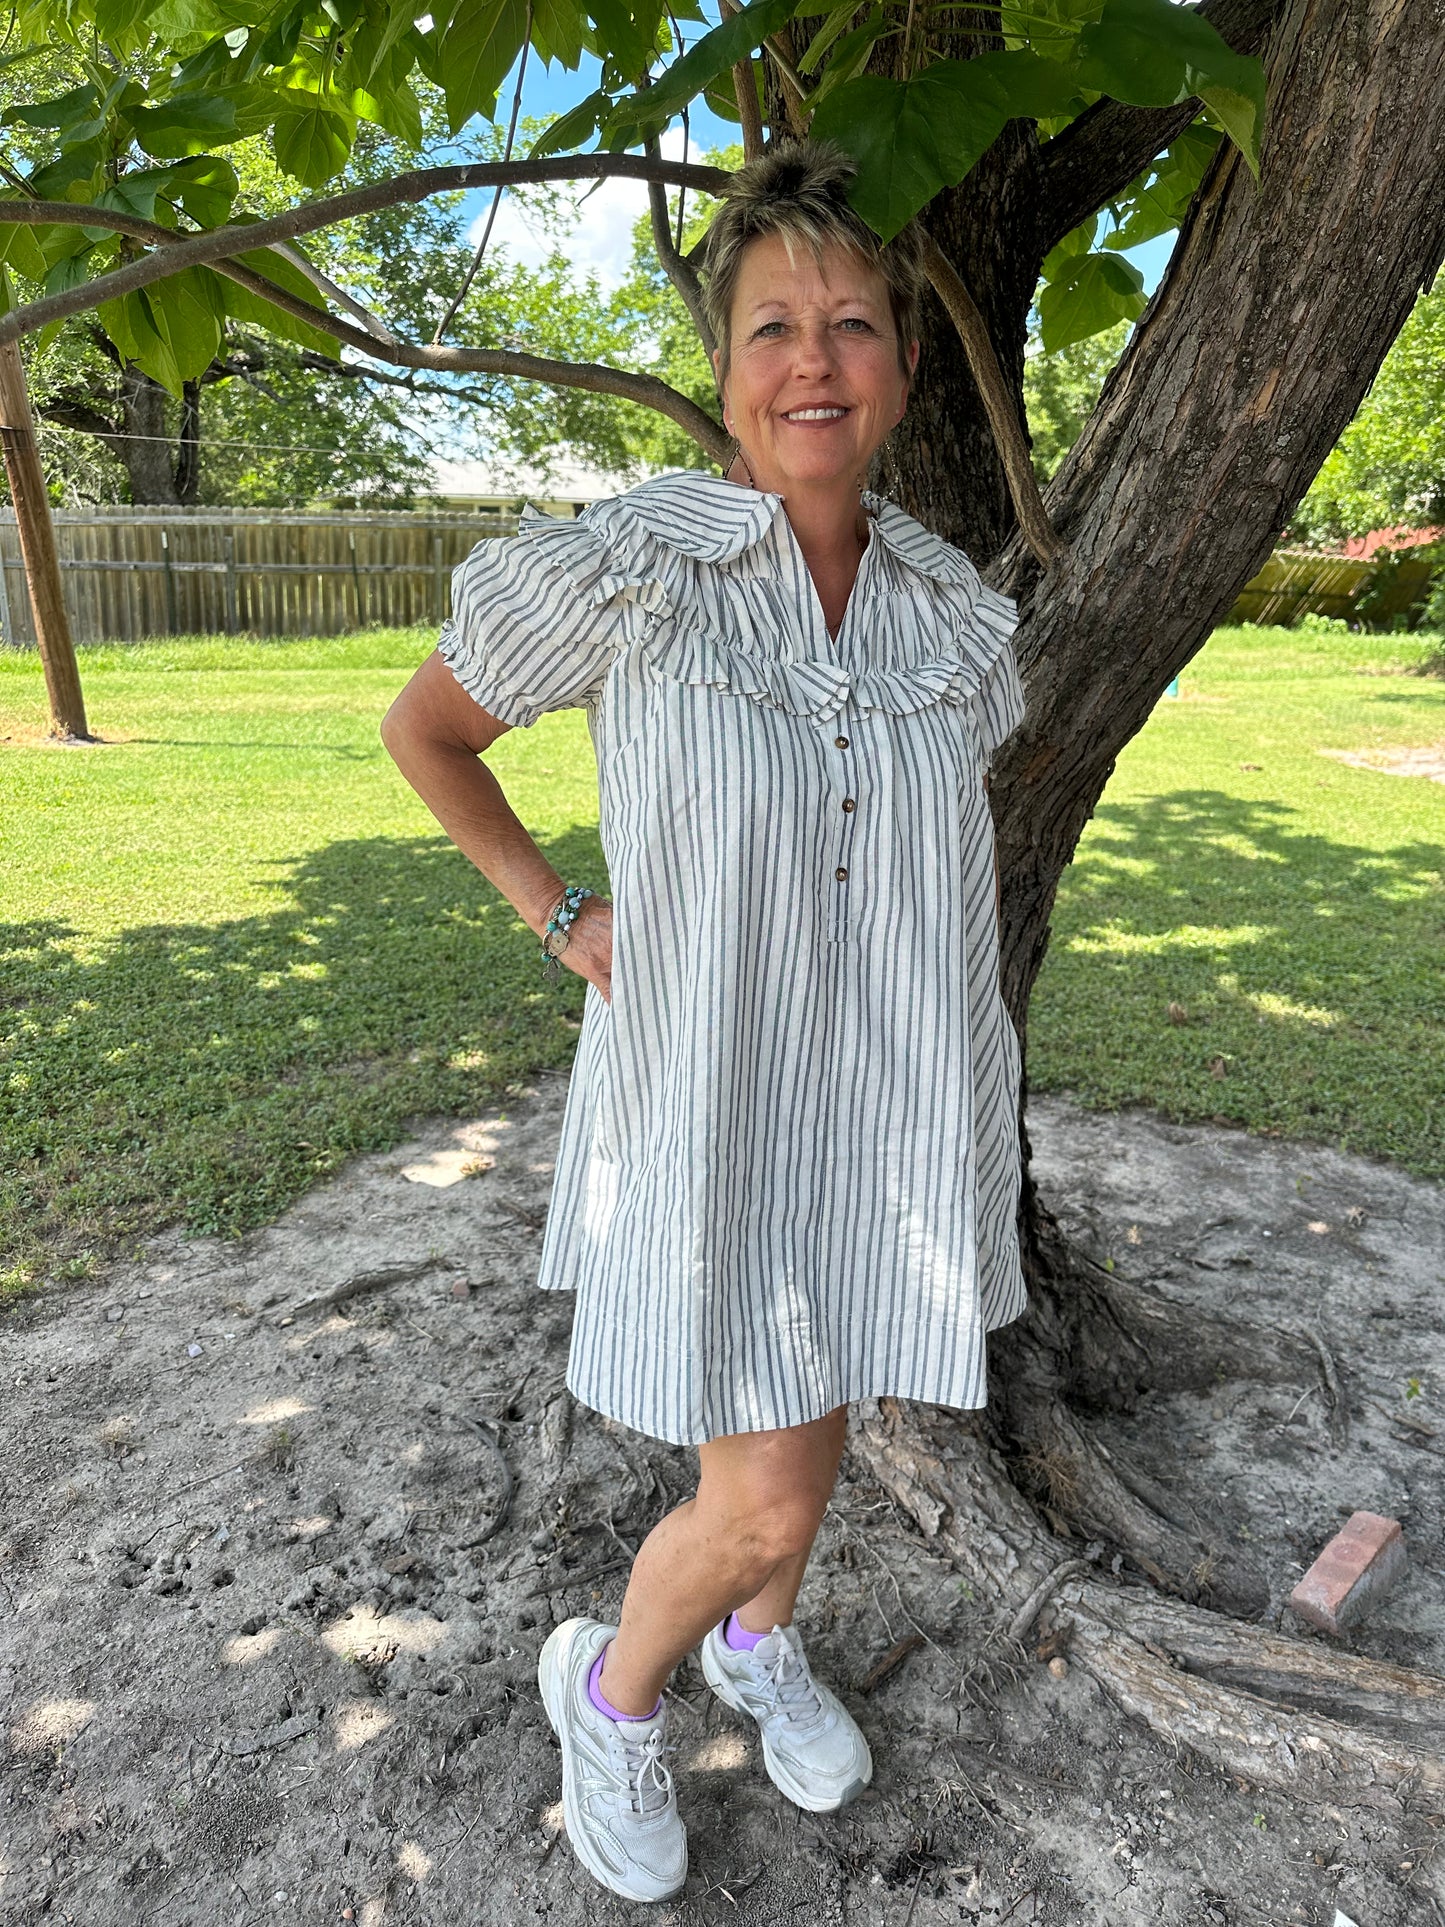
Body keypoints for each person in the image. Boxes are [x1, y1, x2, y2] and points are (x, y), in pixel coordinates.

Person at [380, 138, 1028, 1905]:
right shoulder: (634, 570)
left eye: (851, 323)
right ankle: (610, 1690)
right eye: (771, 328)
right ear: (724, 367)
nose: (814, 359)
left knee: (816, 1422)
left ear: (901, 363)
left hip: (888, 1105)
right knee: (759, 1497)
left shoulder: (953, 618)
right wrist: (560, 914)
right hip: (715, 1095)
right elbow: (426, 732)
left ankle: (755, 1649)